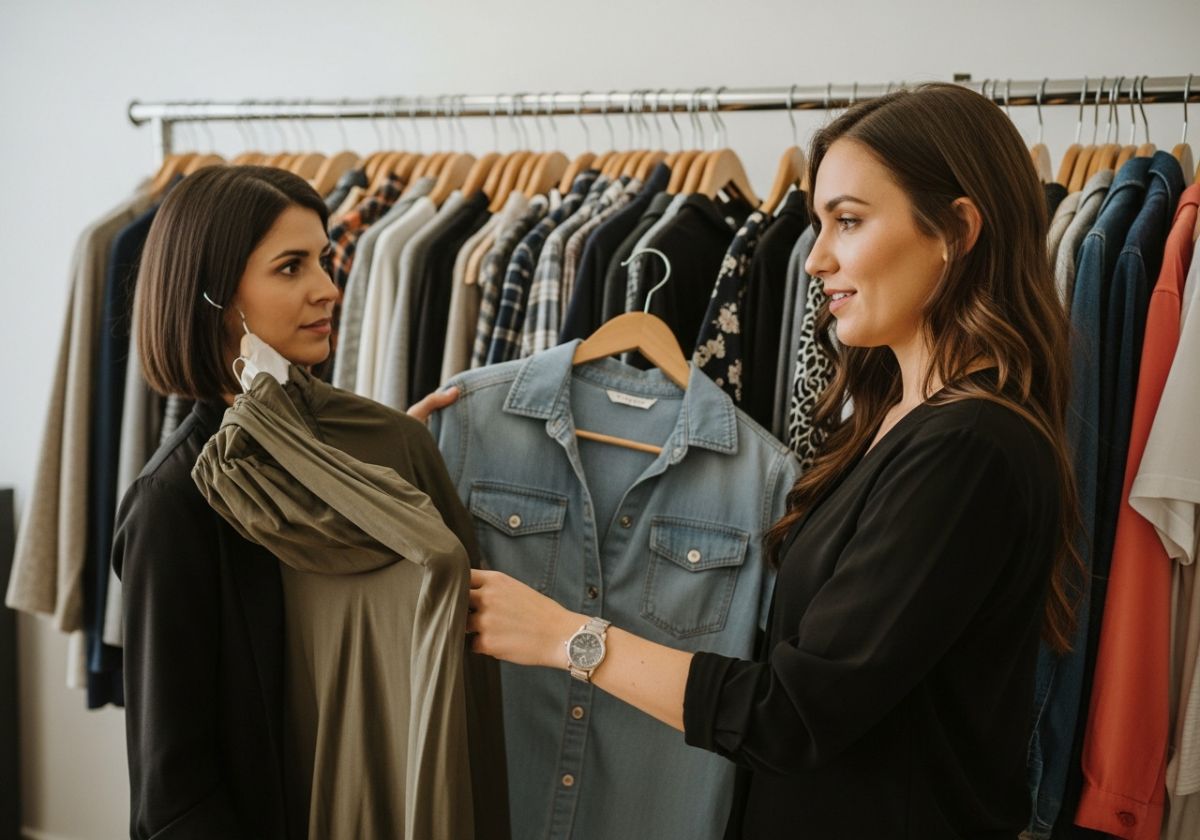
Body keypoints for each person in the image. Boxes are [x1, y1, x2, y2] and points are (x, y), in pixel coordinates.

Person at [460, 84, 1082, 838]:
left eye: (847, 222)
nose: (815, 258)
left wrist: (567, 637)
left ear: (955, 229)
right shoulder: (895, 421)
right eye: (818, 224)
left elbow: (793, 714)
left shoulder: (971, 449)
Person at [113, 165, 456, 839]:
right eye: (291, 267)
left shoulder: (331, 454)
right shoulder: (174, 504)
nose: (329, 288)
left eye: (324, 261)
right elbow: (173, 793)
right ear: (212, 294)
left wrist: (389, 460)